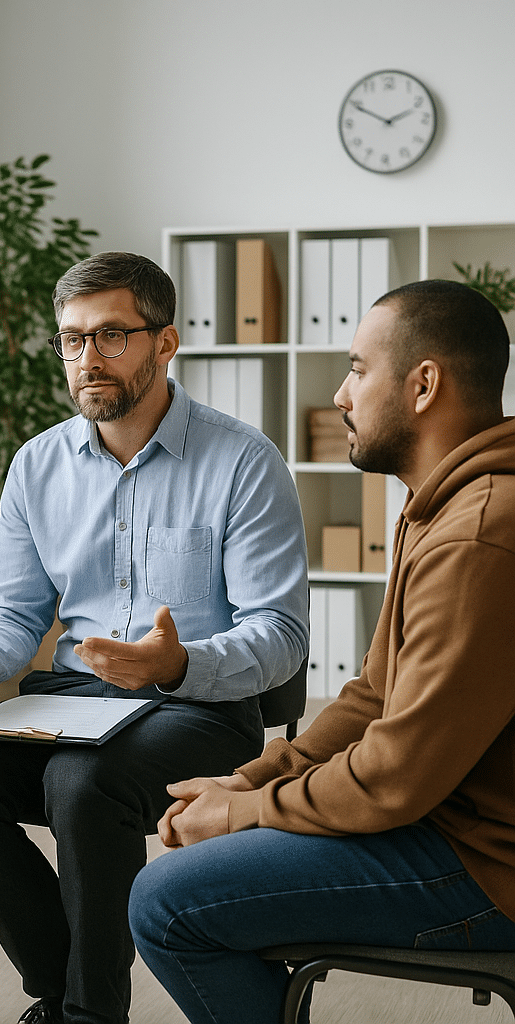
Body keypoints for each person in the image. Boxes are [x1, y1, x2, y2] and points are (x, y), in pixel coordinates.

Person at [0, 251, 309, 1024]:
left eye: (112, 336)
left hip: (198, 709)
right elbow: (15, 612)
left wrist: (179, 662)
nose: (88, 359)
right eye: (72, 340)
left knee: (84, 786)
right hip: (73, 702)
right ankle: (65, 993)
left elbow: (281, 637)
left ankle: (88, 1013)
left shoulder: (244, 462)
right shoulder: (37, 465)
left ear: (165, 342)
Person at [128, 279, 515, 1024]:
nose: (340, 394)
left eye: (358, 369)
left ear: (424, 384)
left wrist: (243, 816)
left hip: (484, 864)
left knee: (168, 901)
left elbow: (394, 778)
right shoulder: (441, 504)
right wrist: (244, 780)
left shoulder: (479, 532)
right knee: (200, 872)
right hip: (451, 822)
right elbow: (371, 698)